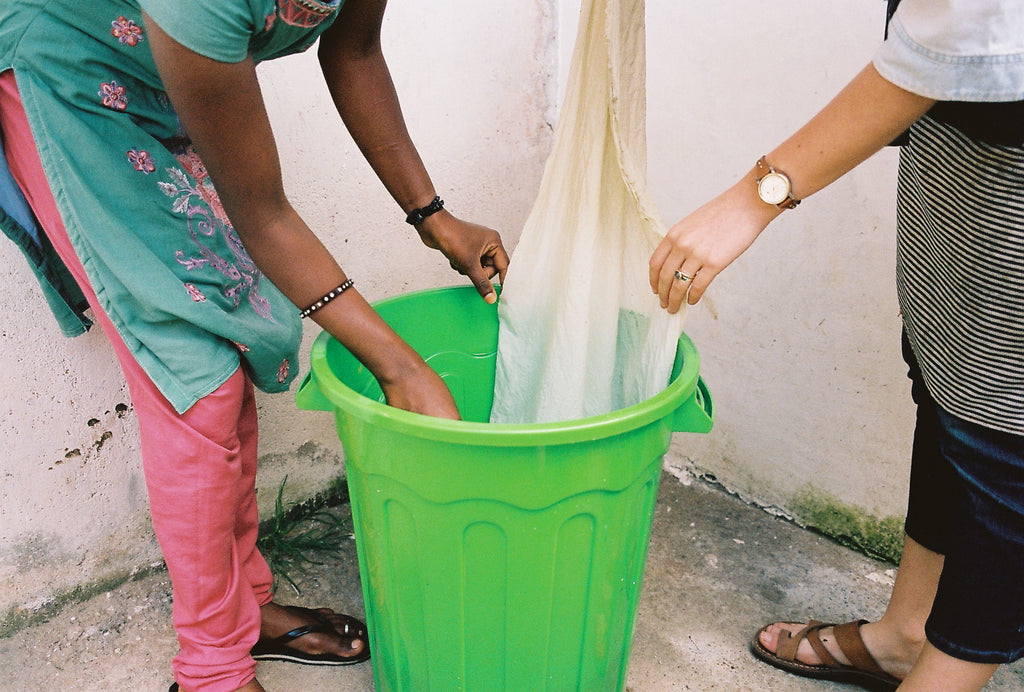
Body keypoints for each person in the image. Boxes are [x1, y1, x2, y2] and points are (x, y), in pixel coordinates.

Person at [0, 1, 508, 691]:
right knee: (194, 383)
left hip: (155, 78)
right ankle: (211, 670)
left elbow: (354, 52)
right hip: (70, 77)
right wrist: (399, 366)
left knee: (225, 356)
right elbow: (262, 214)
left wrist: (432, 216)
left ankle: (245, 611)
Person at [648, 1, 1024, 691]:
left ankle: (945, 669)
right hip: (959, 141)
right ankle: (906, 632)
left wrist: (758, 193)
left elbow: (974, 26)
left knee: (1007, 449)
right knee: (944, 380)